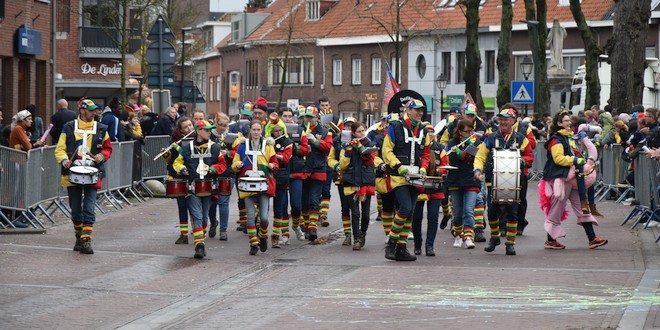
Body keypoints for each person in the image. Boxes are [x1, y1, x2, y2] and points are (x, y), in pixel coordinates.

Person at [540, 111, 607, 250]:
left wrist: (577, 158)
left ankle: (592, 238)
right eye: (565, 121)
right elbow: (558, 158)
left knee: (582, 206)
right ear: (559, 123)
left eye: (569, 121)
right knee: (556, 209)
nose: (569, 123)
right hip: (562, 178)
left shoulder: (569, 138)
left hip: (573, 178)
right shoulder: (556, 139)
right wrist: (575, 160)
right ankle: (550, 240)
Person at [54, 99, 113, 254]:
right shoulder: (69, 127)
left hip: (93, 173)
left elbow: (108, 149)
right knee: (75, 209)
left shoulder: (101, 129)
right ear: (82, 110)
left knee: (89, 208)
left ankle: (86, 240)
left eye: (95, 110)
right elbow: (60, 148)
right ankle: (79, 236)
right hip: (72, 173)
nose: (95, 113)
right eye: (91, 110)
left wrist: (101, 155)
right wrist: (65, 160)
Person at [473, 109, 534, 256]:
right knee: (492, 212)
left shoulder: (521, 138)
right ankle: (495, 238)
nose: (503, 122)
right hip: (493, 181)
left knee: (512, 213)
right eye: (501, 119)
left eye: (506, 119)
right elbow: (481, 155)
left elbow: (530, 156)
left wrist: (521, 161)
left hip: (514, 182)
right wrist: (477, 170)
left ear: (513, 121)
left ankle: (510, 244)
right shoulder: (491, 137)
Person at [382, 99, 431, 262]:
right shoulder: (394, 127)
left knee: (410, 212)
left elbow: (426, 154)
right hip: (399, 175)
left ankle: (401, 248)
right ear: (407, 111)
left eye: (421, 110)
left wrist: (424, 168)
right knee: (405, 207)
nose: (420, 113)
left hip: (416, 175)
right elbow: (386, 151)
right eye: (416, 110)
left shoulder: (424, 130)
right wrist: (398, 166)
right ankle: (392, 243)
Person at [172, 120, 227, 259]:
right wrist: (182, 168)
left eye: (210, 130)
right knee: (197, 216)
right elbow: (177, 162)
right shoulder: (187, 147)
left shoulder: (214, 147)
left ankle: (200, 241)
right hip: (192, 187)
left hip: (209, 188)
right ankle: (199, 246)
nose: (209, 132)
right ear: (198, 131)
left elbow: (222, 164)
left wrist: (213, 169)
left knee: (203, 219)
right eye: (206, 130)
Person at [232, 120, 278, 255]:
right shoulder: (242, 146)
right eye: (254, 130)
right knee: (250, 216)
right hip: (247, 183)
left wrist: (272, 166)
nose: (256, 132)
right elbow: (234, 163)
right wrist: (237, 165)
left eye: (258, 130)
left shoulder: (268, 146)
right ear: (250, 130)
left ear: (262, 130)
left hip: (263, 183)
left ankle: (263, 236)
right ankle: (253, 243)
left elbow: (275, 162)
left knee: (263, 217)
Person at [412, 123, 448, 256]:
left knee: (433, 217)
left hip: (435, 185)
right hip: (420, 185)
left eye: (432, 132)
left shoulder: (440, 148)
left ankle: (430, 246)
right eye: (428, 132)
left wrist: (440, 170)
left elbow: (445, 164)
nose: (430, 134)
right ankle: (417, 244)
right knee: (416, 217)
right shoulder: (417, 146)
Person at [339, 122, 376, 250]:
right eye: (359, 132)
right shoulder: (346, 145)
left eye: (363, 131)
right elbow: (343, 165)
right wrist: (348, 150)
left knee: (365, 214)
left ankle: (363, 233)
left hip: (365, 183)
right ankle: (357, 239)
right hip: (352, 182)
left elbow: (370, 161)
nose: (362, 133)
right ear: (353, 133)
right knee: (355, 213)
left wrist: (360, 146)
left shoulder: (370, 144)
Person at [446, 118, 481, 249]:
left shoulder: (477, 143)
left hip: (471, 180)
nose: (470, 133)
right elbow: (451, 159)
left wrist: (460, 153)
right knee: (458, 212)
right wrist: (454, 152)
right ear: (460, 132)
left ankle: (468, 237)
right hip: (455, 180)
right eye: (467, 131)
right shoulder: (451, 143)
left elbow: (472, 158)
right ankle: (458, 236)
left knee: (469, 211)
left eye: (471, 130)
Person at [300, 105, 333, 242]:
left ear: (317, 117)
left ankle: (313, 227)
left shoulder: (325, 132)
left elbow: (328, 147)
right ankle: (307, 225)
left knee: (314, 199)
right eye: (307, 117)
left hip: (318, 169)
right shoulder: (299, 129)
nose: (309, 120)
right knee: (304, 201)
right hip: (303, 168)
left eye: (311, 117)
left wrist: (315, 141)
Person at [163, 117, 196, 244]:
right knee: (182, 206)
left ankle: (198, 232)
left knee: (194, 207)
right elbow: (169, 161)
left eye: (190, 125)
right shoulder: (174, 140)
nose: (190, 128)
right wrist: (166, 153)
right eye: (186, 127)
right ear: (181, 131)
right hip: (178, 177)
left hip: (192, 177)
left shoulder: (197, 140)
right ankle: (184, 234)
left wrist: (180, 149)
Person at [267, 114, 293, 247]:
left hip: (282, 177)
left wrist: (273, 153)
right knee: (265, 209)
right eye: (275, 131)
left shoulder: (287, 142)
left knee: (281, 207)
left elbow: (286, 158)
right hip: (269, 177)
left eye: (280, 130)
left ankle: (281, 234)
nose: (278, 133)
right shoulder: (266, 141)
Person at [209, 113, 233, 241]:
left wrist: (228, 153)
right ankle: (213, 222)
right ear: (215, 123)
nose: (222, 128)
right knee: (212, 202)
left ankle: (223, 230)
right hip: (213, 172)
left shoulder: (231, 137)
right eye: (220, 125)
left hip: (228, 172)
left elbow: (239, 151)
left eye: (225, 125)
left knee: (224, 202)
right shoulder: (209, 135)